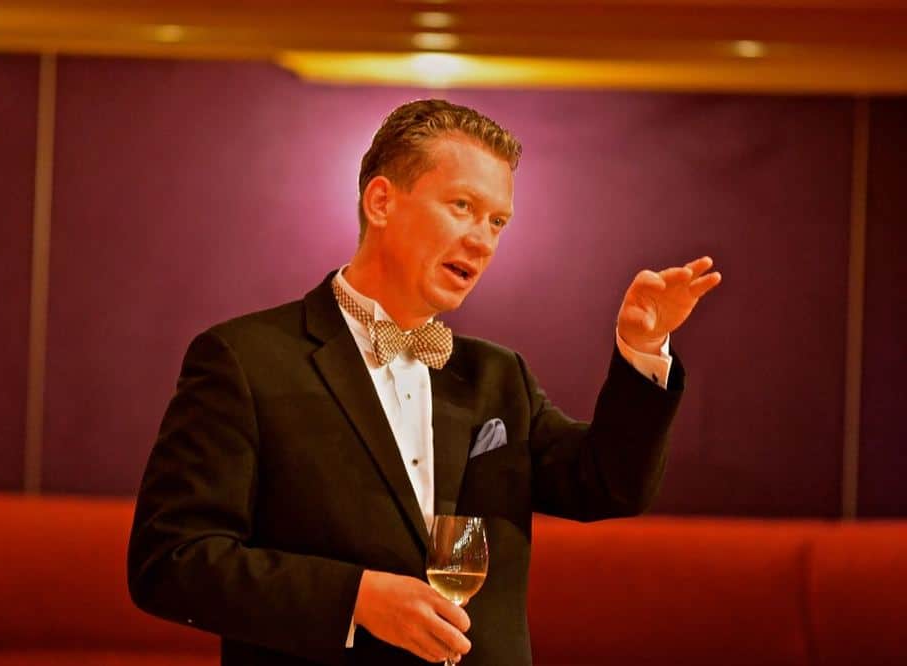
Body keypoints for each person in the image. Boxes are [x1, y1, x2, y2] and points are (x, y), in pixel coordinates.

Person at [128, 99, 721, 666]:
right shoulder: (244, 359)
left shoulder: (499, 377)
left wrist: (643, 348)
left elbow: (609, 486)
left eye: (497, 221)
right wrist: (354, 599)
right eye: (462, 206)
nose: (482, 240)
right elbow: (172, 561)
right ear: (381, 201)